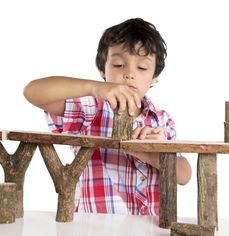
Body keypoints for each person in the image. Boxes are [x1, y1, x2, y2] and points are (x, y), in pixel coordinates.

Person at [23, 18, 192, 215]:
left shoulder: (161, 120)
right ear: (103, 69)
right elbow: (32, 91)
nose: (129, 74)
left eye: (142, 68)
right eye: (119, 65)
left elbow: (184, 176)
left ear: (155, 76)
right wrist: (95, 88)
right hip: (95, 226)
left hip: (151, 227)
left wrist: (152, 154)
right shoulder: (90, 109)